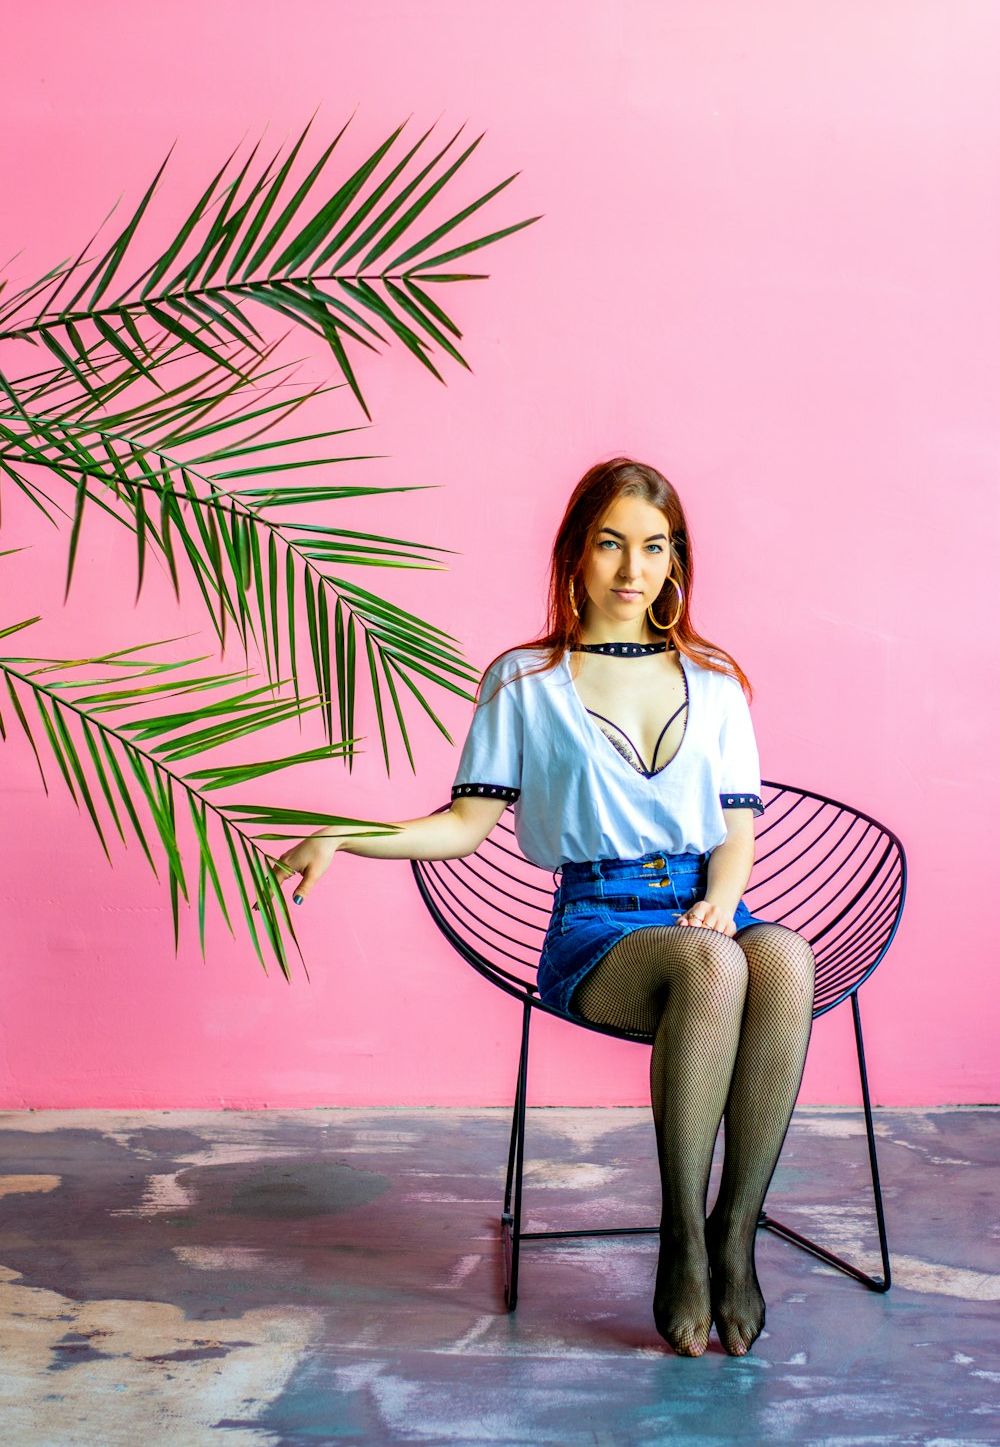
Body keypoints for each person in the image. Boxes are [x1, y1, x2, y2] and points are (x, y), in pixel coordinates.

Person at [274, 458, 815, 1359]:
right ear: (575, 553)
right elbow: (462, 824)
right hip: (600, 927)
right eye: (610, 543)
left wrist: (723, 901)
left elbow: (734, 835)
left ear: (676, 560)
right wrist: (343, 834)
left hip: (703, 907)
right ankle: (681, 1236)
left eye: (654, 547)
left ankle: (737, 1230)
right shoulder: (525, 682)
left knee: (783, 954)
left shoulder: (716, 685)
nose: (631, 568)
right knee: (712, 964)